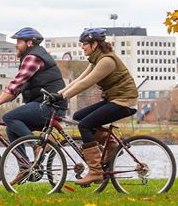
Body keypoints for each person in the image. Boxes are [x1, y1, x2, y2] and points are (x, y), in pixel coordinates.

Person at [55, 28, 139, 187]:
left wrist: (63, 97)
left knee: (84, 125)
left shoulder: (107, 61)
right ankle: (112, 145)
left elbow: (85, 84)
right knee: (79, 116)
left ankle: (95, 171)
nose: (82, 47)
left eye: (85, 44)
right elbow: (78, 80)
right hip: (115, 99)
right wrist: (58, 94)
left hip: (125, 101)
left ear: (94, 44)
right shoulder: (96, 59)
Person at [0, 27, 66, 179]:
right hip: (45, 105)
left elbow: (15, 85)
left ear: (29, 43)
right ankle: (25, 168)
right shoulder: (33, 56)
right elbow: (15, 92)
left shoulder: (34, 57)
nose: (16, 45)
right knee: (12, 129)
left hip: (50, 107)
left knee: (9, 118)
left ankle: (38, 146)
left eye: (19, 42)